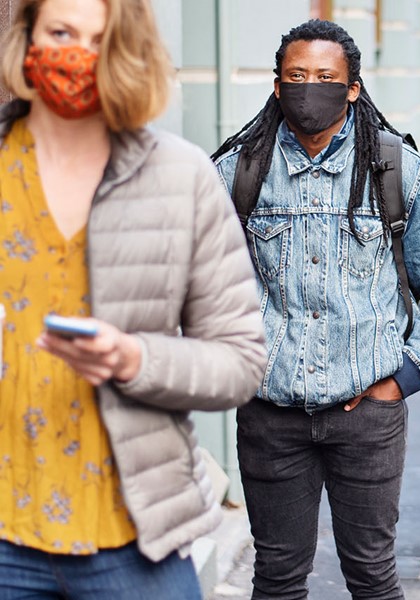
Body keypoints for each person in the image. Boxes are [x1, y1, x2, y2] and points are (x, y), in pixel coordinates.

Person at [0, 0, 267, 597]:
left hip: (134, 541)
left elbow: (241, 361)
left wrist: (135, 361)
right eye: (62, 33)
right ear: (28, 37)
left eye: (103, 40)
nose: (78, 56)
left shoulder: (181, 176)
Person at [211, 19, 420, 600]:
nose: (311, 87)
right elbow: (199, 283)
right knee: (277, 579)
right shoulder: (237, 172)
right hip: (270, 413)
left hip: (368, 417)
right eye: (297, 76)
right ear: (277, 86)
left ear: (353, 87)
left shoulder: (396, 170)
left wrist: (403, 377)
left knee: (372, 576)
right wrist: (235, 364)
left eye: (327, 77)